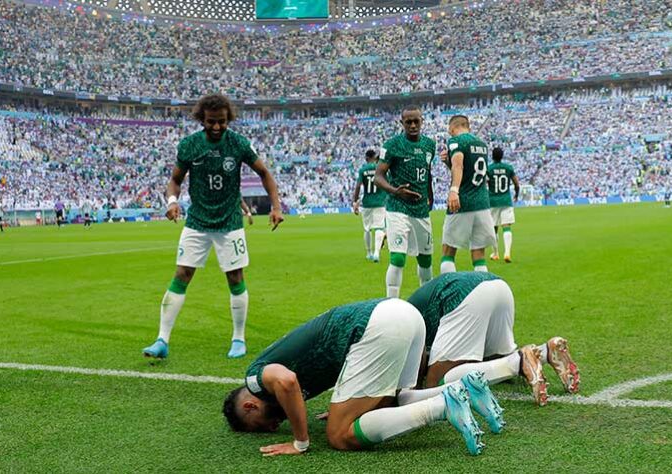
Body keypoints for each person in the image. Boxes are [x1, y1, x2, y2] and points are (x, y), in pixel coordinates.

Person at [222, 298, 503, 456]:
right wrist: (344, 404)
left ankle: (443, 406)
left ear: (250, 406)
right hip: (402, 314)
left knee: (339, 435)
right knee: (394, 401)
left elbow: (286, 382)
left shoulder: (254, 379)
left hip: (379, 326)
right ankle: (462, 387)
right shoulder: (275, 374)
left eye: (260, 426)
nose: (272, 428)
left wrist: (300, 441)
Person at [142, 94, 284, 360]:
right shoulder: (190, 145)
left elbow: (264, 173)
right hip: (197, 221)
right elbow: (174, 180)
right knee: (182, 274)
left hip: (229, 222)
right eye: (211, 122)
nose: (217, 127)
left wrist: (276, 206)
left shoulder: (239, 143)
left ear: (228, 119)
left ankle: (238, 339)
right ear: (202, 120)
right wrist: (172, 201)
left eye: (221, 122)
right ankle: (162, 339)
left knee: (235, 277)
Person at [407, 271, 580, 406]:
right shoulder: (400, 310)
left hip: (463, 295)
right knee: (495, 360)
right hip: (497, 286)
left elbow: (417, 357)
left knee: (436, 384)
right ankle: (545, 352)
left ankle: (519, 362)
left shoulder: (399, 327)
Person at [374, 107, 436, 297]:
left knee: (425, 261)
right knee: (398, 258)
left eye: (416, 121)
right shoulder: (392, 145)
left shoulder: (429, 145)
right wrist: (396, 192)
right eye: (408, 122)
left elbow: (427, 172)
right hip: (397, 208)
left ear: (422, 121)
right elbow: (378, 176)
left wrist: (430, 196)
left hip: (421, 211)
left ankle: (426, 302)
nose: (412, 125)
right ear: (402, 123)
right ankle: (392, 304)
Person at [438, 116, 495, 273]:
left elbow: (459, 165)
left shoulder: (457, 141)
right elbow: (469, 169)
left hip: (462, 202)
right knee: (479, 254)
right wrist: (447, 162)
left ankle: (449, 292)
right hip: (482, 203)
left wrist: (454, 190)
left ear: (452, 128)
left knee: (448, 251)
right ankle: (483, 293)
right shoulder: (482, 144)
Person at [352, 149, 387, 263]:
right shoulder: (380, 168)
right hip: (380, 202)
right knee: (379, 227)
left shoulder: (363, 170)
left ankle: (368, 253)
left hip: (367, 203)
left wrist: (355, 201)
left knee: (367, 228)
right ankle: (377, 253)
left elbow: (358, 186)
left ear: (366, 158)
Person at [485, 147, 520, 263]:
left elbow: (485, 183)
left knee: (493, 228)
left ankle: (495, 253)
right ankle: (507, 252)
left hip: (493, 201)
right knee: (506, 226)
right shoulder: (508, 168)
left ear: (492, 156)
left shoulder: (489, 169)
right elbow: (516, 183)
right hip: (505, 200)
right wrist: (516, 194)